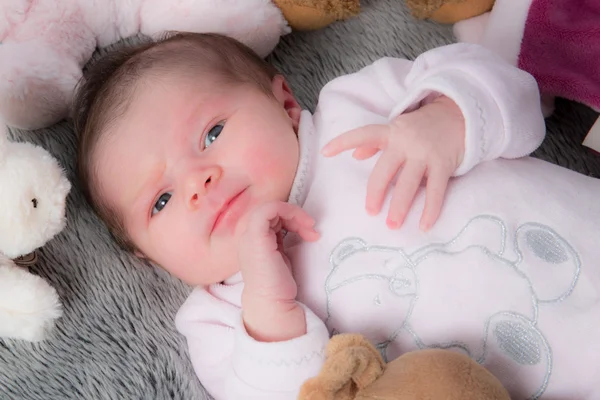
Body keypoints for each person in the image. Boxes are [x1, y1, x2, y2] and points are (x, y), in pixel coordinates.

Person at [74, 32, 600, 399]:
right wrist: (270, 307)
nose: (197, 182)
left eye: (212, 133)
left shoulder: (355, 108)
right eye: (160, 201)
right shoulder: (222, 320)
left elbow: (509, 87)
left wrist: (448, 116)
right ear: (146, 256)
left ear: (284, 104)